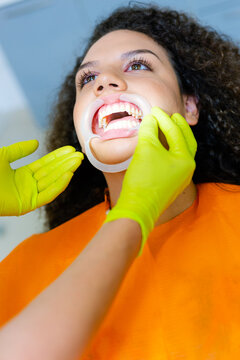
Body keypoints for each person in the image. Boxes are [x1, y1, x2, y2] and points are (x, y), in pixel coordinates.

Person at [0, 4, 240, 359]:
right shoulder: (23, 266)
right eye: (88, 79)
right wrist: (135, 211)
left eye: (138, 65)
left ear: (190, 107)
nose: (104, 82)